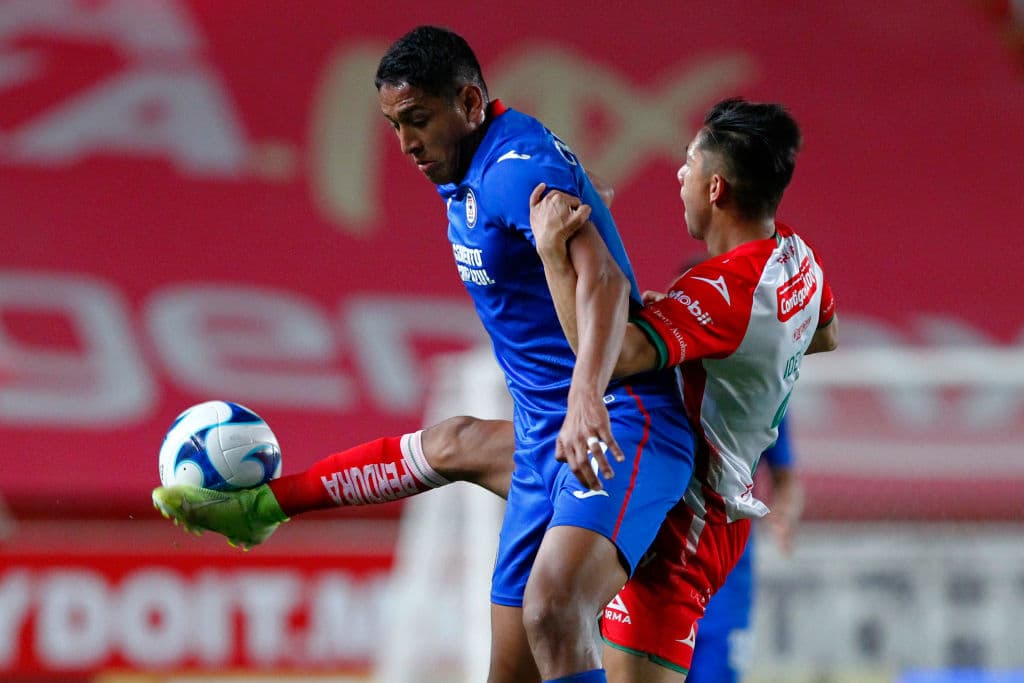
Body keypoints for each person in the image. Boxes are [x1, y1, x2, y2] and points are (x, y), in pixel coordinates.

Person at [154, 94, 838, 682]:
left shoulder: (722, 290)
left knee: (552, 605)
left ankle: (265, 506)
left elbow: (610, 355)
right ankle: (267, 504)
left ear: (717, 189)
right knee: (458, 441)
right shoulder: (798, 264)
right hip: (677, 471)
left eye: (690, 164)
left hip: (689, 512)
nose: (679, 173)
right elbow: (823, 334)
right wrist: (732, 353)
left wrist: (549, 255)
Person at [686, 416, 803, 683]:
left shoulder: (766, 387)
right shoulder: (669, 380)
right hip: (661, 572)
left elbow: (786, 480)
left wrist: (785, 512)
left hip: (726, 583)